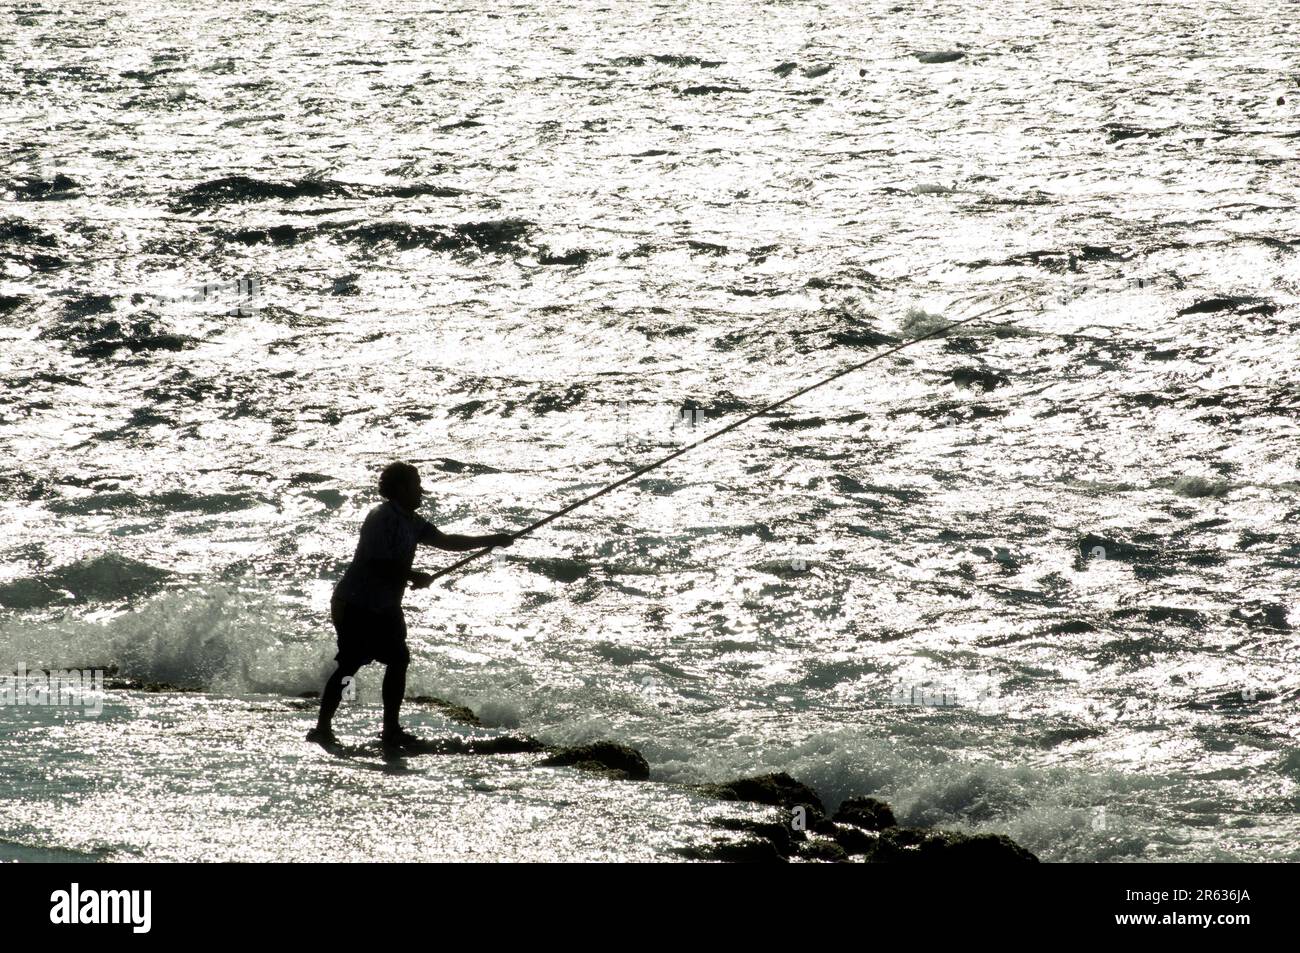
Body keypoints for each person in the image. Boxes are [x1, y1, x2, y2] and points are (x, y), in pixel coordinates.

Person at [307, 461, 513, 749]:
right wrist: (413, 575)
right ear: (401, 488)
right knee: (350, 665)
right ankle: (322, 728)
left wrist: (493, 540)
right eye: (416, 485)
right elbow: (377, 563)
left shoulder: (411, 521)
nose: (421, 490)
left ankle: (391, 729)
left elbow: (447, 541)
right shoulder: (381, 517)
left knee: (398, 660)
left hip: (386, 606)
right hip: (356, 603)